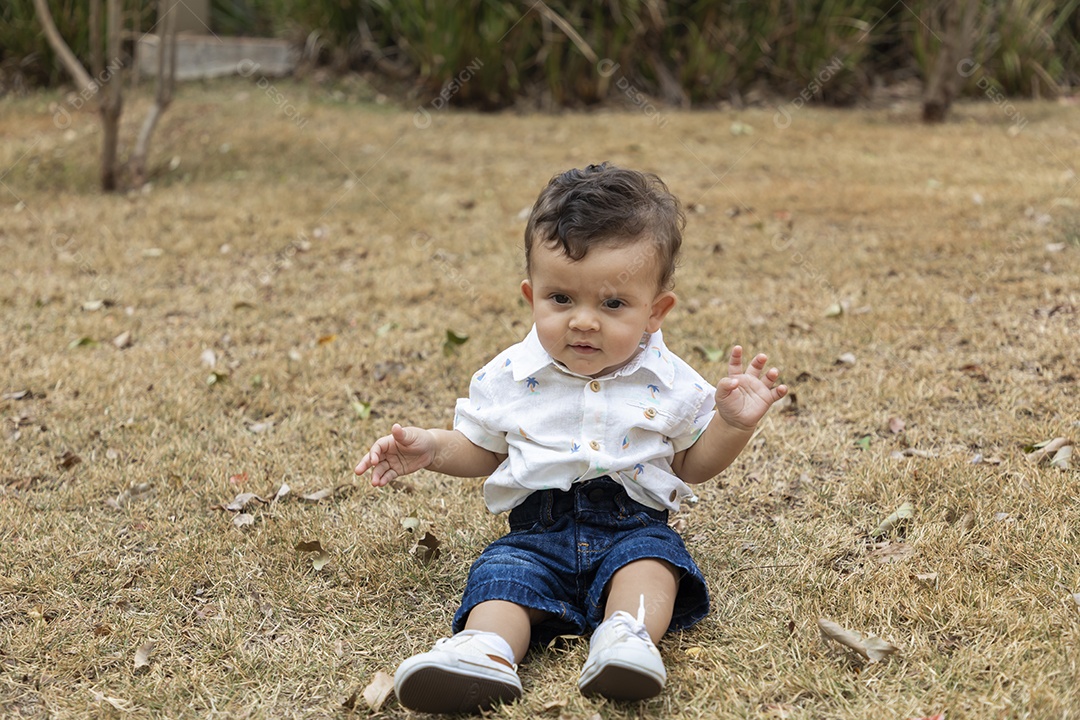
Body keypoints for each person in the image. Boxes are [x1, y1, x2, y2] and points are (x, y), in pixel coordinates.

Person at [354, 163, 788, 714]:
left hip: (631, 524)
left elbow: (691, 464)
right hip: (537, 529)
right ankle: (485, 652)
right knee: (501, 576)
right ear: (532, 295)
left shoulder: (670, 382)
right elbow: (486, 449)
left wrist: (732, 424)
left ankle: (625, 639)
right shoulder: (509, 375)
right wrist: (433, 448)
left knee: (654, 563)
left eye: (612, 305)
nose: (583, 322)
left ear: (655, 312)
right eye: (561, 299)